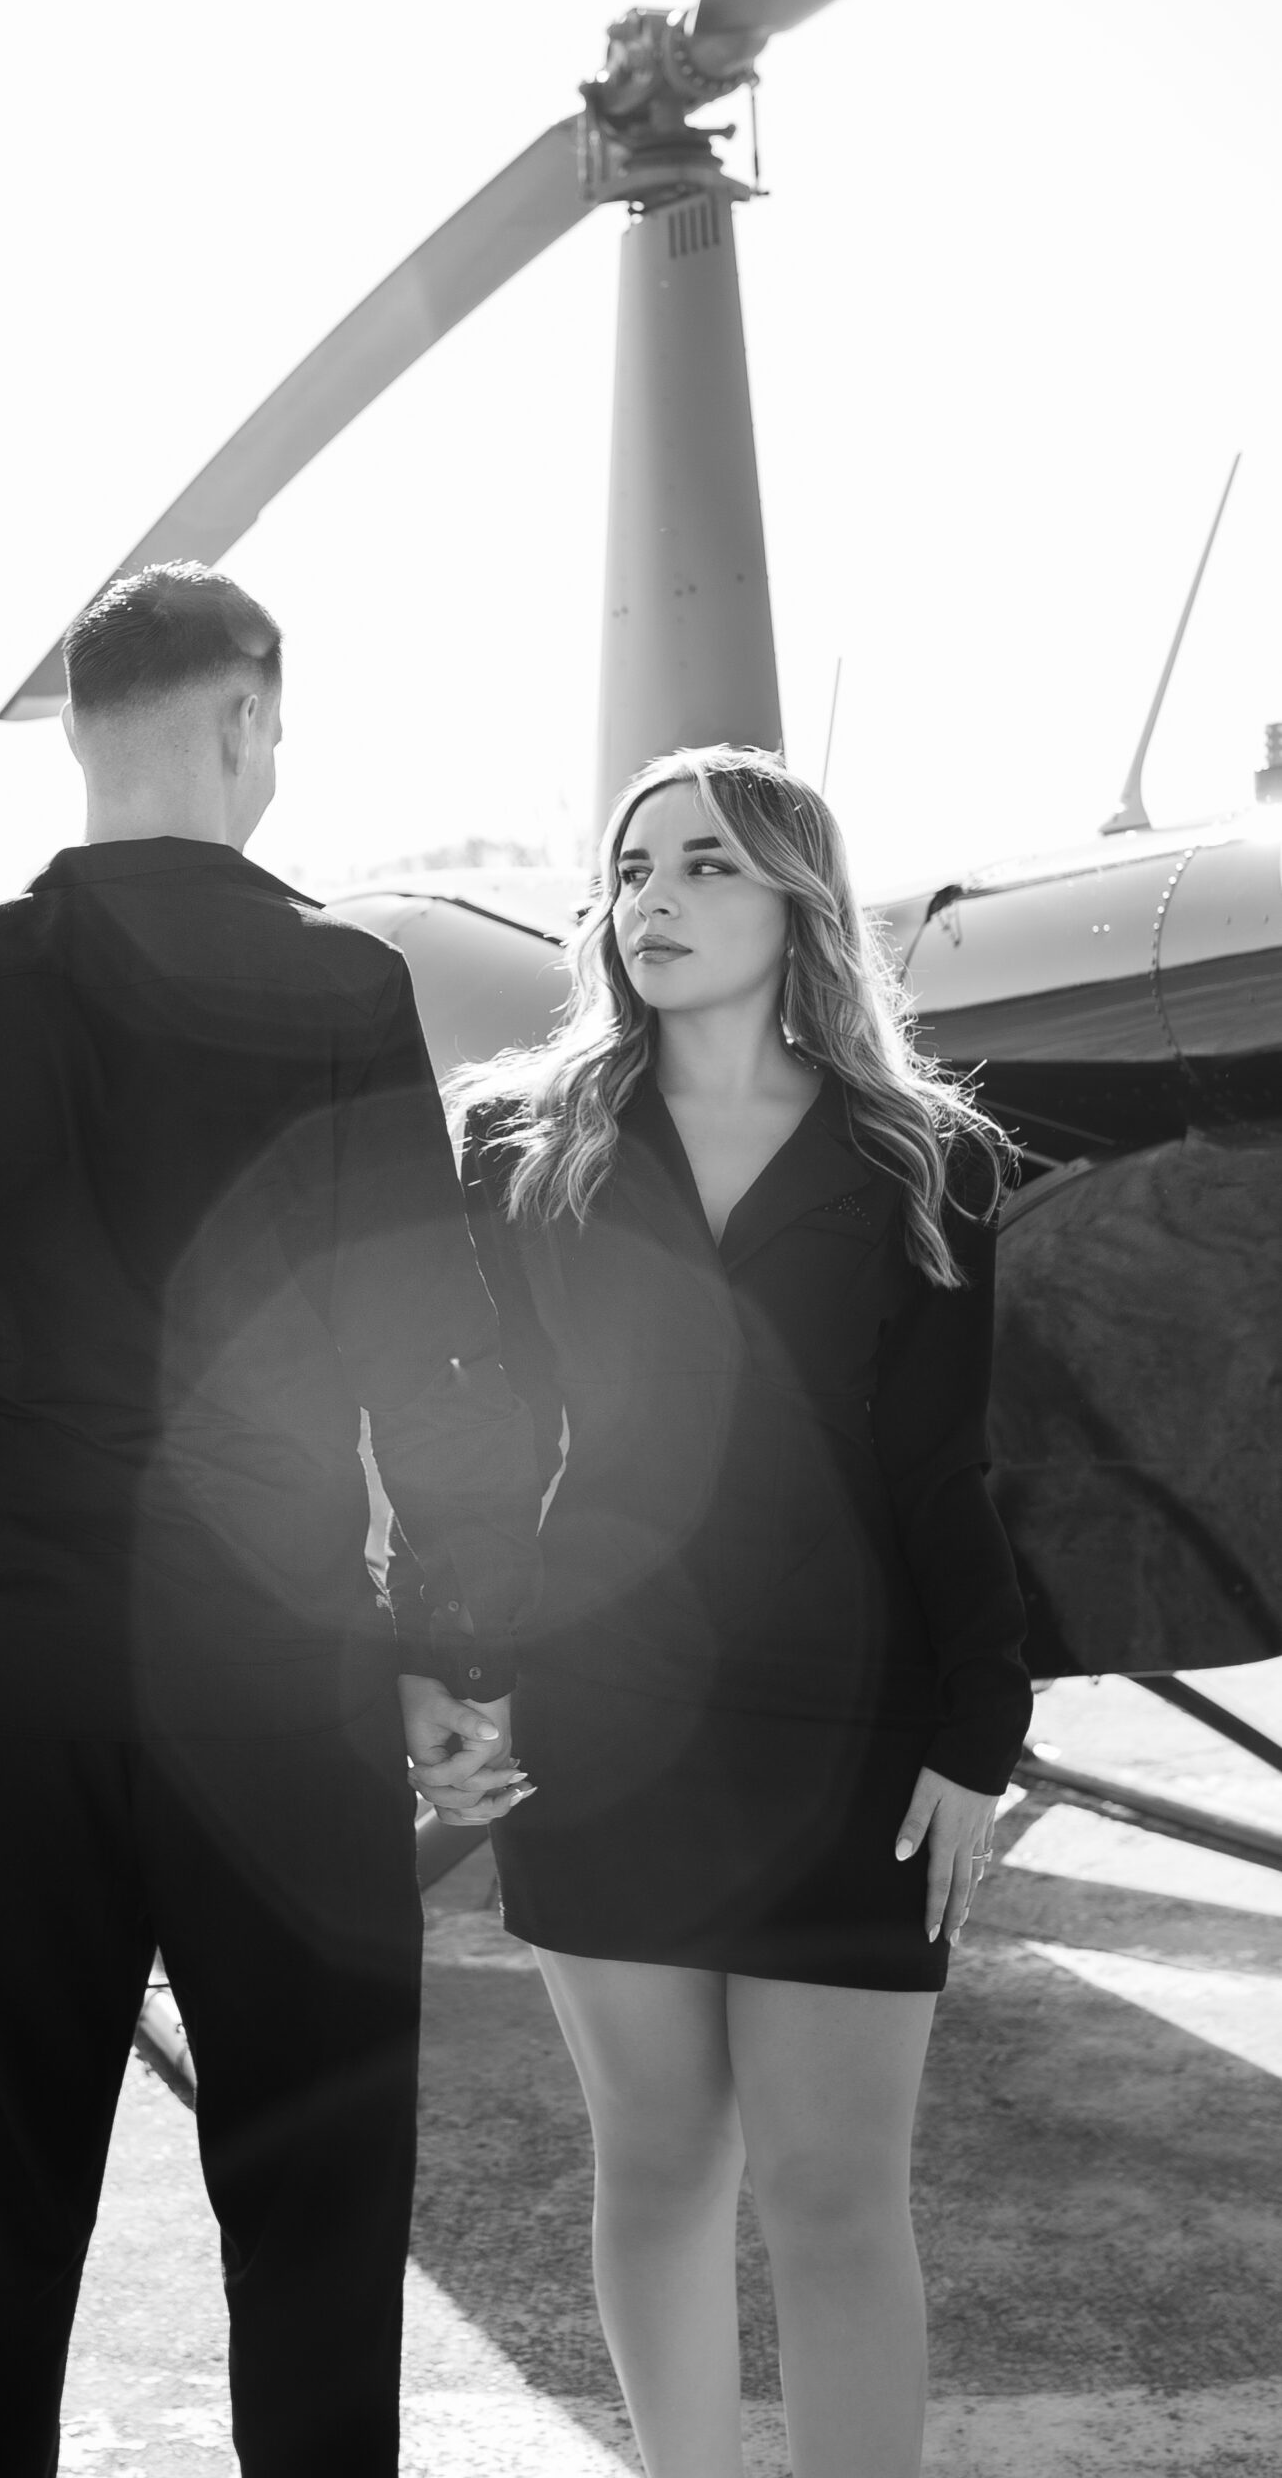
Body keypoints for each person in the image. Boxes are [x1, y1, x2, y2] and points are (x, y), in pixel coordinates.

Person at [0, 562, 539, 2478]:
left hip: (12, 1659)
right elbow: (425, 1353)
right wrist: (458, 1646)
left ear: (85, 737)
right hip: (271, 1663)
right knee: (317, 2199)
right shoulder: (344, 986)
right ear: (246, 719)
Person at [419, 747, 1033, 2478]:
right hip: (605, 1720)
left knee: (836, 2191)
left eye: (706, 866)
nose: (656, 901)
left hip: (857, 1726)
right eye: (633, 870)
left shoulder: (926, 1156)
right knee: (663, 2159)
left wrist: (981, 1729)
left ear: (799, 902)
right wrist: (455, 1669)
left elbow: (944, 1467)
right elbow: (484, 1448)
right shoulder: (523, 1143)